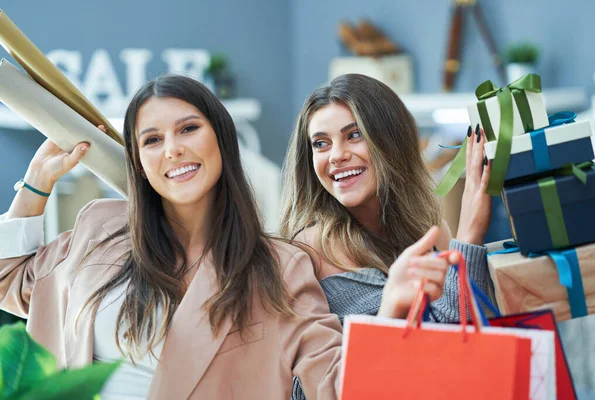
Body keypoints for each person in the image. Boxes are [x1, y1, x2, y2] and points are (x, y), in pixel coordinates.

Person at [0, 74, 462, 399]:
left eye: (187, 129)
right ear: (138, 161)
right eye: (152, 139)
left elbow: (338, 386)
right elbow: (9, 280)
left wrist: (391, 310)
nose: (173, 148)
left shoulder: (279, 267)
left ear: (221, 138)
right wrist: (36, 186)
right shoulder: (99, 228)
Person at [280, 74, 493, 399]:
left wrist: (467, 237)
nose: (336, 155)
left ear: (389, 141)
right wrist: (469, 233)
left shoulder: (431, 231)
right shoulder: (303, 258)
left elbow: (465, 347)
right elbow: (304, 392)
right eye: (321, 143)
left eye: (354, 135)